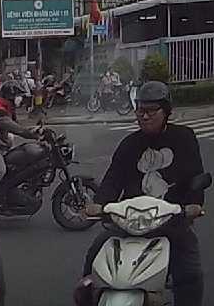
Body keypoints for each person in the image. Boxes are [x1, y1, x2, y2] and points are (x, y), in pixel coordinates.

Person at [80, 81, 206, 306]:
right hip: (128, 221)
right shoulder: (129, 143)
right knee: (95, 255)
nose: (144, 116)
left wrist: (193, 204)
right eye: (140, 111)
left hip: (170, 220)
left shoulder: (184, 138)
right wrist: (99, 204)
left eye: (151, 111)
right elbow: (113, 178)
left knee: (189, 271)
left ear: (166, 112)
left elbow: (196, 175)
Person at [0, 80, 43, 209]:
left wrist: (34, 130)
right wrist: (34, 135)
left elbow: (17, 126)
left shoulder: (7, 107)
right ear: (10, 95)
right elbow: (16, 129)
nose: (20, 98)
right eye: (18, 95)